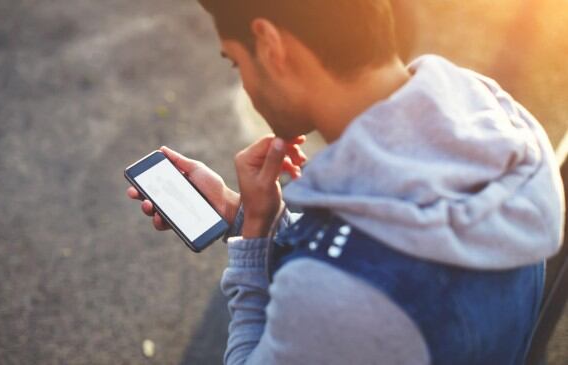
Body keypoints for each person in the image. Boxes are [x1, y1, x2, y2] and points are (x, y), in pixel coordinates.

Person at [127, 1, 565, 364]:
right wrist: (250, 213)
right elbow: (397, 229)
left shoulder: (338, 295)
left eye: (236, 61)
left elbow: (346, 284)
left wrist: (252, 242)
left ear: (270, 44)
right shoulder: (499, 124)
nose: (244, 80)